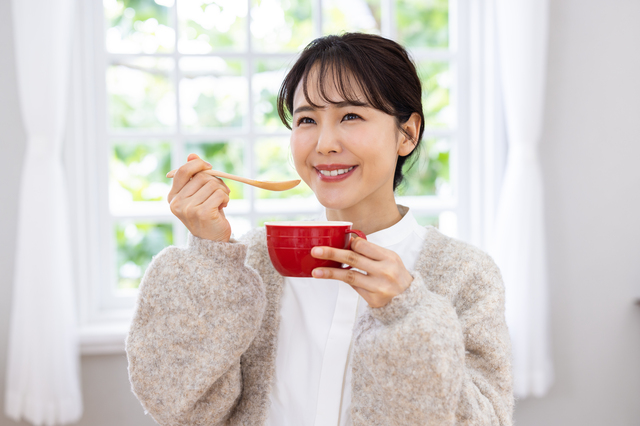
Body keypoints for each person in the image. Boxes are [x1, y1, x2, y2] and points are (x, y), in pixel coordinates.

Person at [126, 33, 514, 426]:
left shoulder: (466, 275)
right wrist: (209, 257)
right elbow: (180, 406)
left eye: (351, 116)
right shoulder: (253, 262)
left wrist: (408, 313)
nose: (325, 143)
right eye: (307, 119)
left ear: (408, 134)